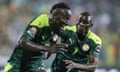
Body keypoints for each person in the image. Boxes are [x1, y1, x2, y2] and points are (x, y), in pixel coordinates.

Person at [4, 2, 72, 72]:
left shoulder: (57, 32)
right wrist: (48, 48)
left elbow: (45, 56)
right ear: (54, 16)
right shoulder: (42, 20)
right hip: (18, 66)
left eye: (68, 19)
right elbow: (22, 42)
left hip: (35, 67)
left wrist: (56, 51)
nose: (67, 22)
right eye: (65, 18)